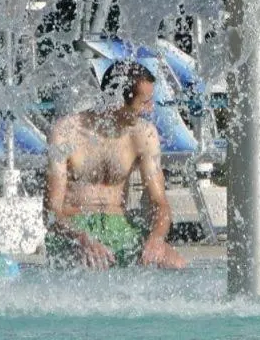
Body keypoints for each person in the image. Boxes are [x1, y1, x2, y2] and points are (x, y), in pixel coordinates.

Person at [43, 60, 187, 269]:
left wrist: (156, 239)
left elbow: (160, 203)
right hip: (74, 229)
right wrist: (83, 239)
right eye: (144, 103)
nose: (150, 109)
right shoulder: (66, 132)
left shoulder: (143, 134)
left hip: (119, 226)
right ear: (118, 101)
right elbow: (51, 211)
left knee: (177, 265)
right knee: (89, 266)